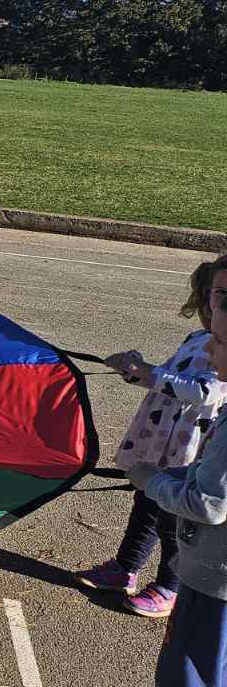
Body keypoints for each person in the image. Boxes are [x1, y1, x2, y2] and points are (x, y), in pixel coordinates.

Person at [98, 324, 227, 687]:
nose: (210, 347)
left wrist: (152, 480)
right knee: (211, 675)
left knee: (189, 676)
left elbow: (208, 503)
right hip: (215, 573)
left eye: (221, 341)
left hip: (214, 578)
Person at [79, 256, 227, 618]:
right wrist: (135, 371)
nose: (222, 301)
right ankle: (125, 567)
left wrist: (151, 373)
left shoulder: (224, 344)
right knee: (145, 503)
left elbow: (205, 392)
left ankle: (170, 584)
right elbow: (169, 379)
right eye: (220, 292)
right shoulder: (200, 339)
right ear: (207, 294)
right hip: (162, 436)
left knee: (174, 518)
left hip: (191, 444)